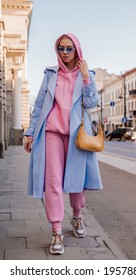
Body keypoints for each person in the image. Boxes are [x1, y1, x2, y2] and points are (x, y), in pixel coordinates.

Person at [23, 33, 103, 255]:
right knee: (53, 182)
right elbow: (39, 106)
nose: (65, 53)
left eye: (69, 48)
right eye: (61, 48)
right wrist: (30, 133)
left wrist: (86, 78)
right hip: (51, 133)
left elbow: (91, 103)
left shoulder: (87, 74)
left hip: (77, 135)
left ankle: (77, 216)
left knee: (76, 180)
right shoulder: (50, 74)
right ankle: (56, 230)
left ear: (77, 50)